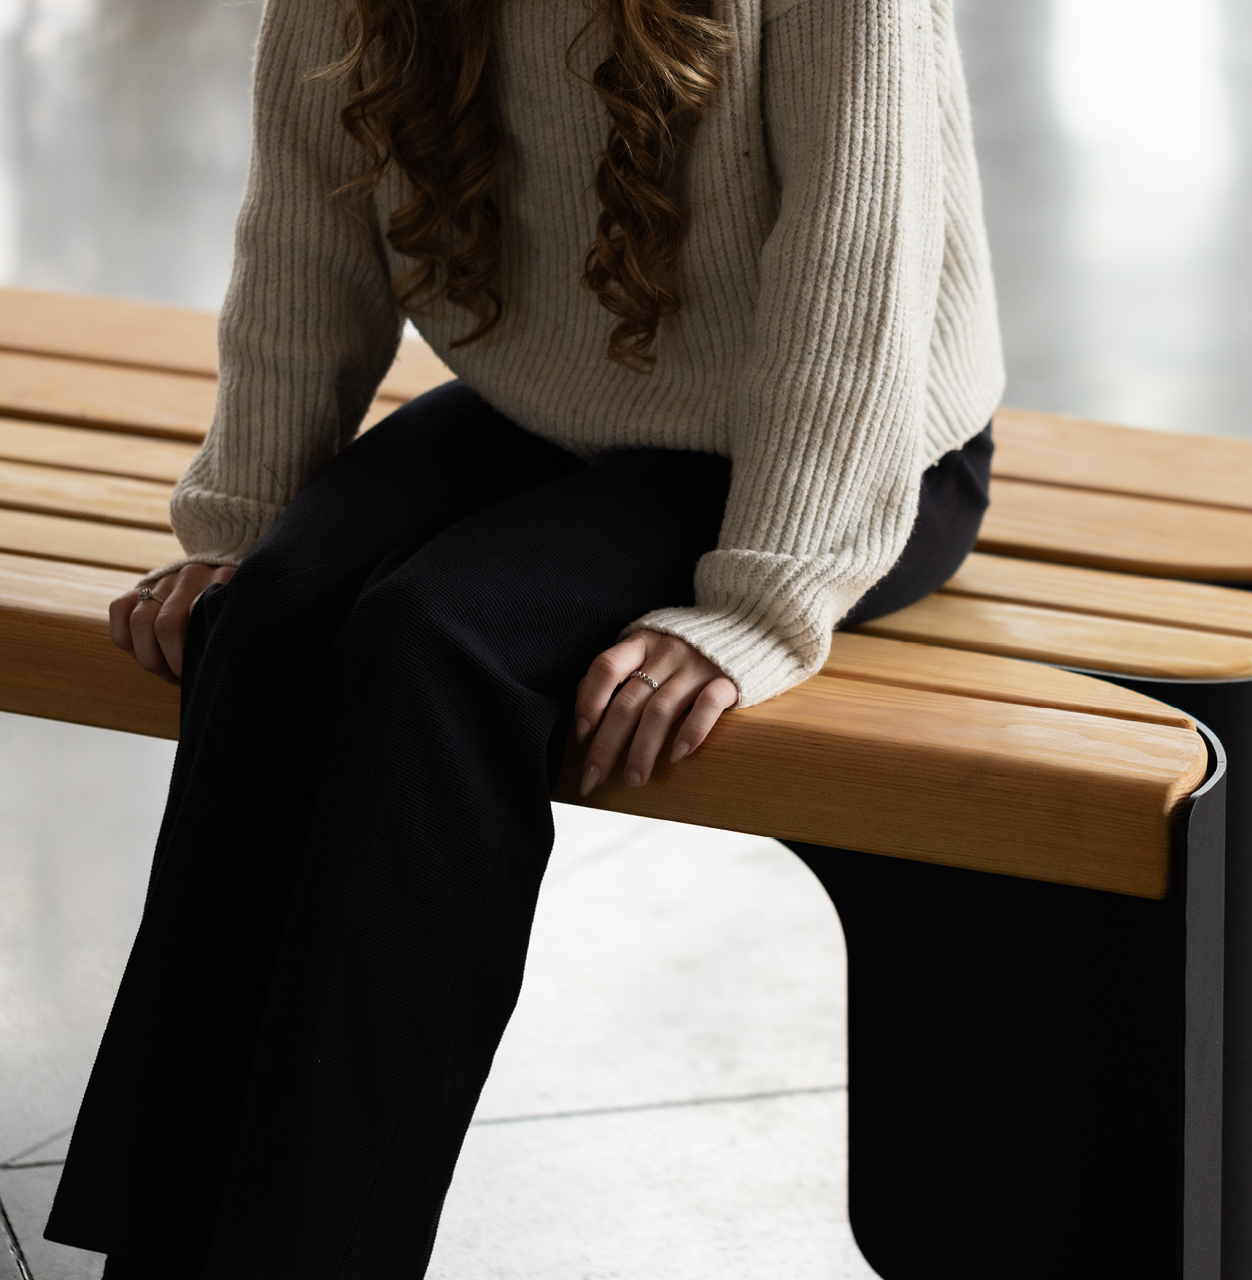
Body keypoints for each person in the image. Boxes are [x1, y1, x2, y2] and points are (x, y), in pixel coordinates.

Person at [43, 0, 1003, 1273]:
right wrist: (240, 521)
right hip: (555, 403)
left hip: (847, 455)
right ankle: (155, 1244)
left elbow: (858, 258)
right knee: (268, 616)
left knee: (436, 645)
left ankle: (319, 1250)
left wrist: (761, 602)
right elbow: (305, 219)